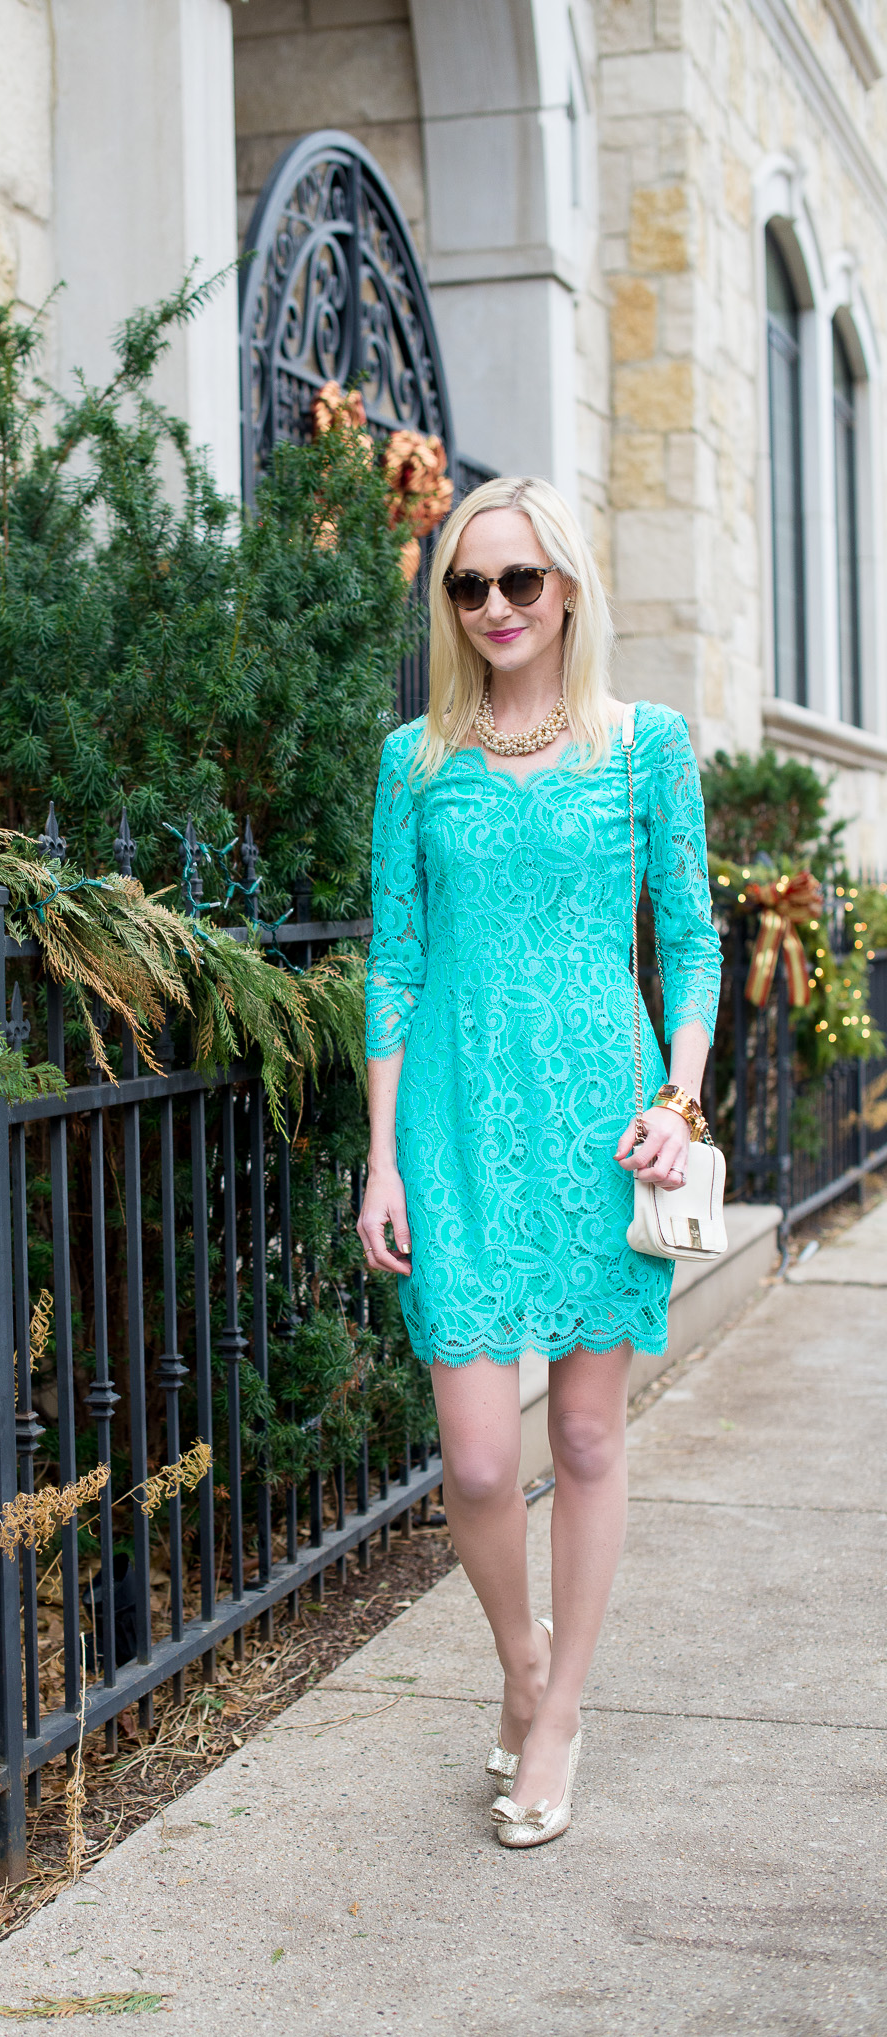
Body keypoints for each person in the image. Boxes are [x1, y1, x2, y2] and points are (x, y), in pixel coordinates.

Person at [356, 476, 720, 1848]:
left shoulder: (646, 747)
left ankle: (559, 1708)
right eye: (469, 585)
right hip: (451, 1130)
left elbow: (689, 941)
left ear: (567, 586)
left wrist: (680, 1100)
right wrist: (382, 1156)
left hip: (601, 1123)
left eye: (519, 580)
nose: (496, 607)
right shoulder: (417, 759)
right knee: (482, 1458)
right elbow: (394, 960)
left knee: (581, 1432)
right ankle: (518, 1655)